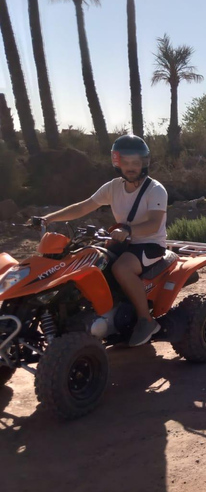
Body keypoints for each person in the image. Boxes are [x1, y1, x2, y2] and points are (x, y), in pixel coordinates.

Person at [41, 134, 169, 347]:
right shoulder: (113, 187)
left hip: (149, 244)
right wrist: (48, 218)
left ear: (144, 163)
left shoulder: (155, 189)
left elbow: (154, 224)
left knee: (121, 269)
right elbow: (84, 206)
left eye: (135, 163)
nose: (131, 167)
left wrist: (128, 230)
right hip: (124, 241)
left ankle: (146, 321)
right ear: (117, 163)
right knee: (87, 261)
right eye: (126, 163)